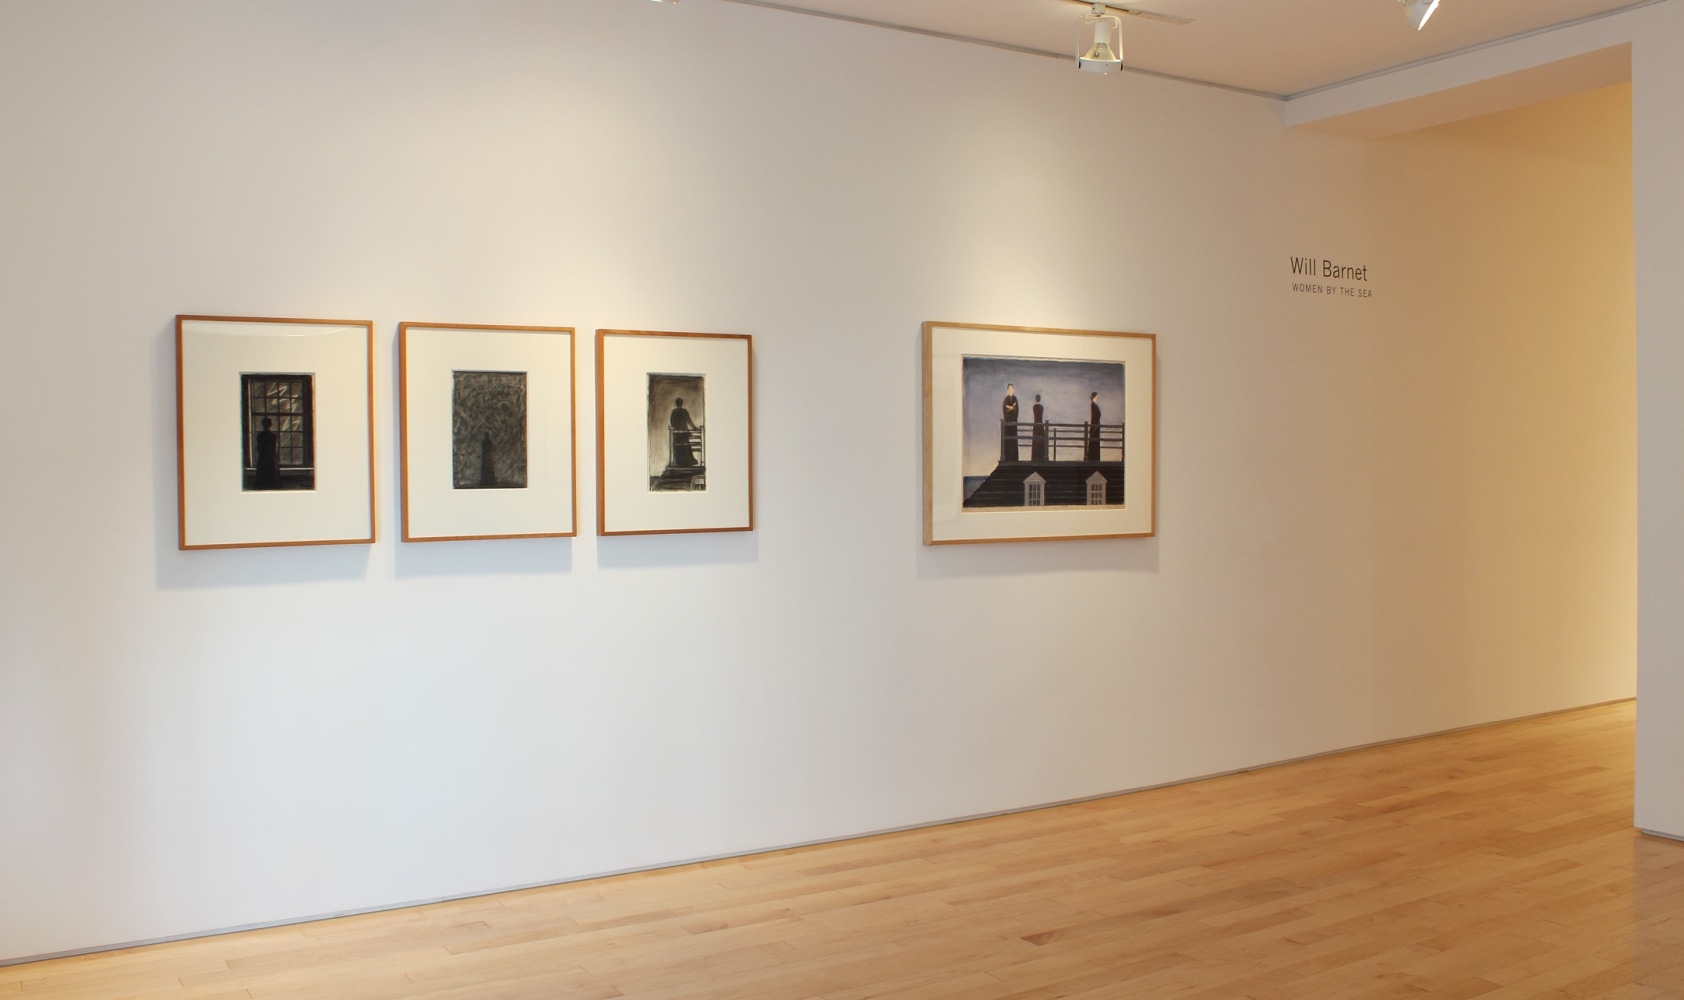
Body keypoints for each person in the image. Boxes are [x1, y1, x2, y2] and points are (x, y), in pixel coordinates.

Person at [253, 416, 281, 490]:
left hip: (263, 458)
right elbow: (274, 449)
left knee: (263, 479)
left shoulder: (260, 436)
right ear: (270, 425)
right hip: (270, 458)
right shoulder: (272, 436)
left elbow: (259, 448)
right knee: (271, 480)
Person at [670, 397, 698, 467]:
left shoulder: (674, 411)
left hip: (676, 433)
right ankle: (687, 462)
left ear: (676, 404)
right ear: (682, 403)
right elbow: (689, 420)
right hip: (684, 433)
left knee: (677, 447)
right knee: (685, 447)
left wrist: (676, 427)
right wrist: (694, 428)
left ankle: (679, 462)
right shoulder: (684, 411)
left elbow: (671, 421)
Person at [1000, 384, 1019, 462]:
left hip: (1013, 423)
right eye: (1009, 388)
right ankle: (1007, 458)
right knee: (1007, 441)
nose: (1011, 390)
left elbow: (1016, 410)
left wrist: (1011, 408)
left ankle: (1014, 459)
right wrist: (1011, 407)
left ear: (1013, 389)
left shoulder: (1015, 399)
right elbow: (1005, 409)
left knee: (1014, 441)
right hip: (1007, 423)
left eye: (1012, 388)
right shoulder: (1006, 399)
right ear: (1007, 390)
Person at [1030, 394, 1047, 461]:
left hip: (1036, 425)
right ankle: (1040, 457)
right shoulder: (1041, 407)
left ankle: (1036, 457)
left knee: (1037, 441)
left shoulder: (1034, 407)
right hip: (1040, 425)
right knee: (1040, 440)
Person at [1085, 392, 1101, 461]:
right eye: (1097, 396)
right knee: (1094, 440)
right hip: (1095, 425)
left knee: (1095, 441)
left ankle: (1094, 457)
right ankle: (1093, 458)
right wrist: (1094, 425)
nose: (1098, 398)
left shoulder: (1094, 405)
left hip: (1096, 425)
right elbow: (1094, 416)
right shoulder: (1093, 405)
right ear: (1094, 397)